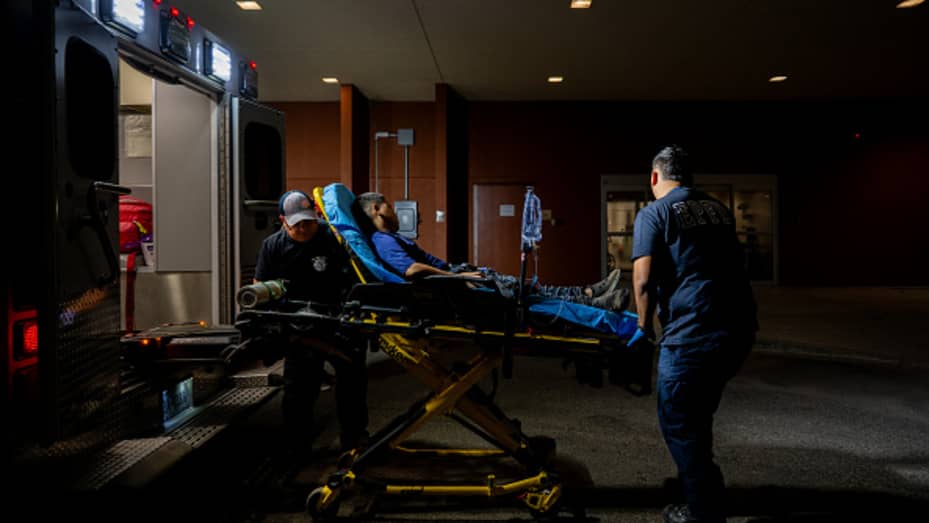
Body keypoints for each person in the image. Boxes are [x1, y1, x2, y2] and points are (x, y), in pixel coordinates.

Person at [629, 146, 757, 523]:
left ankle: (703, 511)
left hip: (692, 334)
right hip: (737, 330)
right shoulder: (718, 209)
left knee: (681, 423)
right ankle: (702, 488)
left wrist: (643, 329)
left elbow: (642, 280)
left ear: (655, 177)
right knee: (698, 417)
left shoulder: (655, 213)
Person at [354, 192, 628, 310]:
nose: (392, 208)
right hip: (458, 286)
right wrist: (458, 278)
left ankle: (590, 294)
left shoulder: (391, 238)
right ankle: (593, 301)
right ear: (376, 210)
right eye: (387, 204)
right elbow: (412, 270)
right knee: (526, 292)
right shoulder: (383, 241)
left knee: (528, 289)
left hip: (459, 278)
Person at [254, 189, 369, 454]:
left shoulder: (333, 240)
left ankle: (354, 441)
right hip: (298, 328)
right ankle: (297, 447)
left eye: (310, 221)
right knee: (298, 390)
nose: (305, 228)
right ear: (283, 221)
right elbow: (259, 286)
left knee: (352, 383)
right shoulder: (273, 246)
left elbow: (355, 278)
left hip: (337, 322)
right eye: (298, 224)